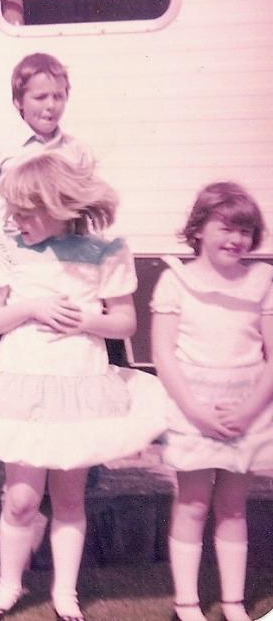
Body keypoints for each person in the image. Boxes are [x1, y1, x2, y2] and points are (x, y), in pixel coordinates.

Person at [0, 154, 165, 621]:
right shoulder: (7, 249)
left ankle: (66, 595)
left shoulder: (104, 251)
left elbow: (125, 320)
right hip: (24, 386)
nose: (15, 221)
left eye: (25, 212)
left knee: (68, 497)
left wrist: (88, 319)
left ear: (56, 206)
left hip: (78, 385)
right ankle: (9, 585)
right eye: (13, 212)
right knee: (21, 498)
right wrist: (33, 308)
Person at [150, 182, 273, 621]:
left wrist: (248, 411)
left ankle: (234, 603)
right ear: (199, 228)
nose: (236, 239)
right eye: (226, 227)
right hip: (192, 406)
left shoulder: (261, 280)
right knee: (193, 502)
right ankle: (187, 604)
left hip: (247, 407)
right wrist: (197, 412)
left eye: (246, 230)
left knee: (233, 505)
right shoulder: (175, 280)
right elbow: (163, 355)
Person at [0, 52, 97, 262]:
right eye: (40, 97)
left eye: (58, 96)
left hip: (66, 263)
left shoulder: (76, 151)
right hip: (15, 260)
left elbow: (88, 214)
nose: (51, 105)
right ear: (18, 101)